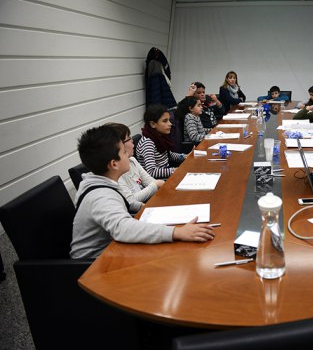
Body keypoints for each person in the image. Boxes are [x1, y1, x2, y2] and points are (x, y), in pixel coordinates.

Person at [70, 125, 215, 259]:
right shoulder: (101, 196)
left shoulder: (103, 181)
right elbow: (123, 228)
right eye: (124, 152)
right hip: (92, 265)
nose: (129, 155)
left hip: (112, 249)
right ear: (114, 164)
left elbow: (125, 209)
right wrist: (177, 232)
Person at [106, 122, 164, 212]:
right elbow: (130, 201)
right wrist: (155, 185)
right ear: (119, 145)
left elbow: (149, 180)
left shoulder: (132, 160)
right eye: (129, 138)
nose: (132, 140)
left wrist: (155, 184)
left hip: (148, 203)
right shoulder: (115, 172)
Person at [136, 104, 185, 179]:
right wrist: (174, 170)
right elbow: (151, 171)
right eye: (165, 121)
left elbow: (168, 155)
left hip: (167, 175)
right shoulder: (148, 143)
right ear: (153, 124)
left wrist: (184, 156)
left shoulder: (159, 137)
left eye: (169, 120)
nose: (170, 124)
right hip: (159, 182)